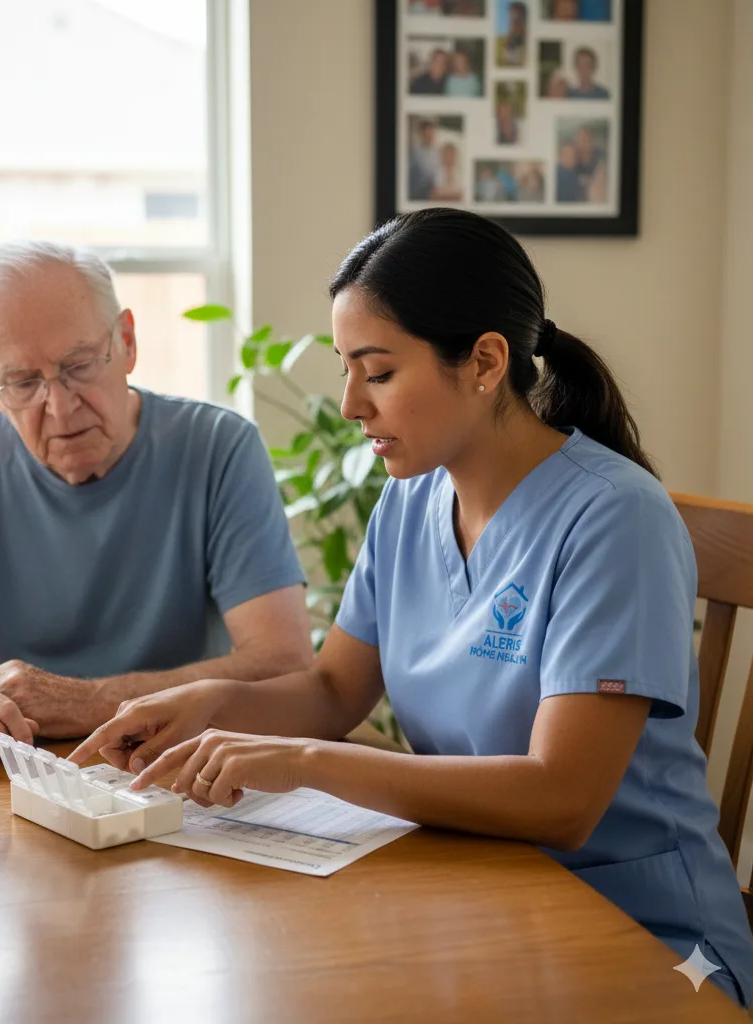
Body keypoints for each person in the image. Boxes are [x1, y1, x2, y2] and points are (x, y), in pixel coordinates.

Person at [73, 208, 753, 1009]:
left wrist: (303, 763)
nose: (351, 405)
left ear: (486, 361)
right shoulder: (413, 499)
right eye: (345, 369)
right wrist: (203, 704)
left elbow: (562, 799)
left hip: (646, 935)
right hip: (484, 896)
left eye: (380, 372)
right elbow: (333, 692)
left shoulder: (615, 520)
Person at [0, 242, 312, 757]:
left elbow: (284, 664)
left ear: (127, 342)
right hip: (1, 780)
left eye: (81, 364)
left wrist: (94, 701)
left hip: (171, 767)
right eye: (23, 381)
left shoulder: (219, 450)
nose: (61, 408)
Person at [408, 119, 441, 199]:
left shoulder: (437, 151)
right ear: (422, 134)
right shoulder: (415, 153)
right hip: (420, 193)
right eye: (427, 134)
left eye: (432, 134)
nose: (430, 137)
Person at [497, 1, 527, 67]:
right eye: (511, 12)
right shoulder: (508, 33)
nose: (512, 15)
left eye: (515, 12)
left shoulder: (526, 34)